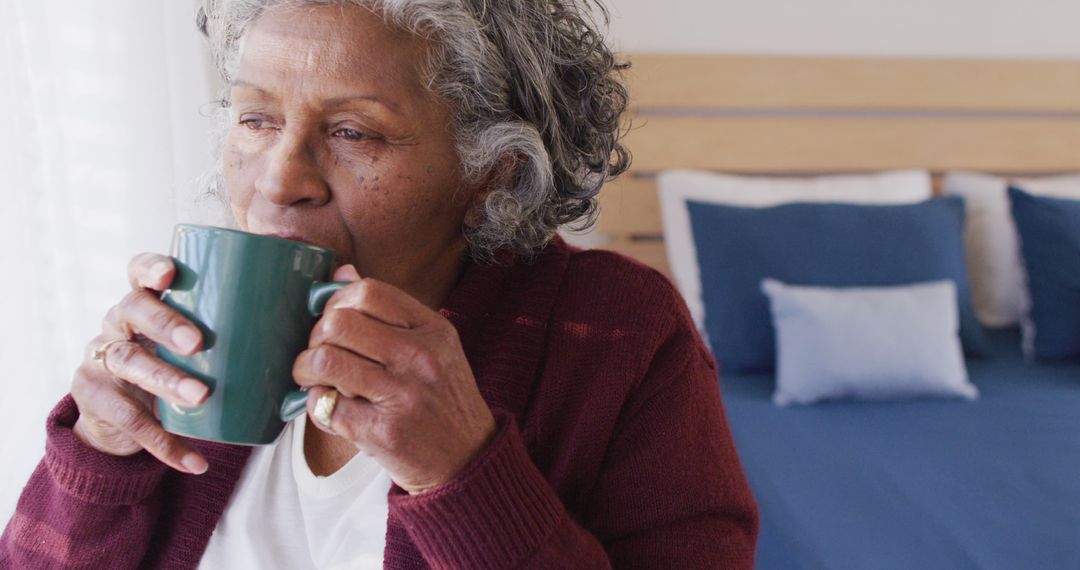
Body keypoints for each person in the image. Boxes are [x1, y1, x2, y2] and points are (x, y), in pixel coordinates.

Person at [0, 1, 758, 568]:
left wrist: (460, 473)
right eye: (257, 119)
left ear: (492, 172)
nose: (279, 179)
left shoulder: (618, 333)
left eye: (352, 132)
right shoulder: (190, 325)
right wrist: (99, 453)